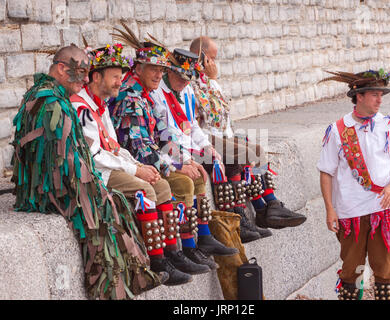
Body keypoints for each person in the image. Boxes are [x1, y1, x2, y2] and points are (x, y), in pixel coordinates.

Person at [11, 44, 167, 300]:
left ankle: (139, 272)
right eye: (82, 72)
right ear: (62, 69)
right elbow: (64, 164)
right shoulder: (52, 103)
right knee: (104, 215)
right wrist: (94, 192)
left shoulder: (51, 96)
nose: (86, 79)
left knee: (112, 207)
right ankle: (110, 287)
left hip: (58, 185)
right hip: (52, 191)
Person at [70, 40, 206, 286]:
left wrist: (142, 166)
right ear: (96, 77)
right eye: (114, 77)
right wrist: (139, 168)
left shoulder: (99, 104)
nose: (119, 82)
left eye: (121, 76)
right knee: (149, 189)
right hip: (98, 173)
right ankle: (156, 261)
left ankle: (172, 253)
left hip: (116, 164)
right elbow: (95, 156)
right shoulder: (83, 108)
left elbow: (117, 146)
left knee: (163, 187)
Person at [109, 25, 236, 270]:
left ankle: (198, 241)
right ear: (138, 69)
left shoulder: (146, 93)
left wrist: (184, 160)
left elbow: (164, 133)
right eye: (153, 70)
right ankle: (172, 253)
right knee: (181, 182)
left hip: (149, 158)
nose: (158, 75)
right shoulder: (131, 97)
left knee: (196, 174)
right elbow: (140, 148)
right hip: (134, 162)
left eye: (161, 70)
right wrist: (174, 165)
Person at [188, 36, 306, 239]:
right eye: (212, 59)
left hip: (219, 135)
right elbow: (214, 116)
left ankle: (269, 205)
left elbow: (225, 115)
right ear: (203, 58)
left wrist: (212, 81)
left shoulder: (205, 81)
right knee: (240, 155)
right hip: (202, 138)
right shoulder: (190, 81)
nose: (214, 64)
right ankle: (242, 215)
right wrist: (213, 81)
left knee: (258, 151)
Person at [317, 69, 390, 300]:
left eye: (382, 94)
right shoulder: (338, 130)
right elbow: (326, 172)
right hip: (351, 212)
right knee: (352, 270)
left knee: (384, 269)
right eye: (374, 94)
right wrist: (330, 209)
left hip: (383, 210)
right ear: (359, 96)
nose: (380, 100)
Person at [146, 46, 239, 259]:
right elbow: (166, 134)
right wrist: (186, 160)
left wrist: (208, 148)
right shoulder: (158, 93)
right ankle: (188, 245)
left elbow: (191, 125)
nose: (186, 82)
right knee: (202, 172)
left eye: (189, 78)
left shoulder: (186, 90)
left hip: (186, 145)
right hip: (169, 150)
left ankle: (211, 232)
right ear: (169, 72)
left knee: (223, 160)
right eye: (181, 78)